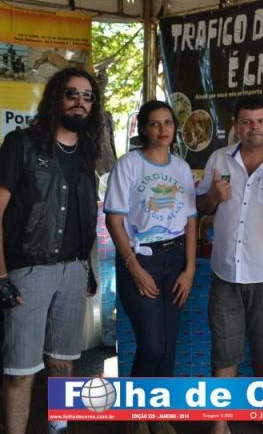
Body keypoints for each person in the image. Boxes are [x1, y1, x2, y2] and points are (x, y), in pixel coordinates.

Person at [0, 67, 103, 434]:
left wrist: (86, 270)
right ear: (56, 98)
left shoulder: (86, 154)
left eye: (87, 97)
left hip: (74, 271)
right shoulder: (21, 144)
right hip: (29, 271)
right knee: (20, 370)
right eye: (72, 94)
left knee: (63, 363)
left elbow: (83, 216)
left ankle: (59, 429)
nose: (80, 102)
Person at [196, 95, 263, 434]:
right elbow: (201, 205)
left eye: (260, 121)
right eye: (246, 122)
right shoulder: (219, 158)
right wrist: (214, 197)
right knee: (224, 348)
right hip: (225, 271)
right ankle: (219, 420)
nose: (253, 127)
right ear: (236, 126)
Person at [104, 100, 197, 434]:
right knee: (153, 343)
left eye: (168, 123)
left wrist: (189, 269)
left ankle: (158, 414)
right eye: (155, 123)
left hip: (175, 260)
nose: (163, 129)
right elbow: (114, 220)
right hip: (140, 258)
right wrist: (134, 267)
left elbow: (191, 220)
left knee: (168, 344)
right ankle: (134, 416)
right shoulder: (129, 165)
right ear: (144, 128)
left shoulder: (181, 168)